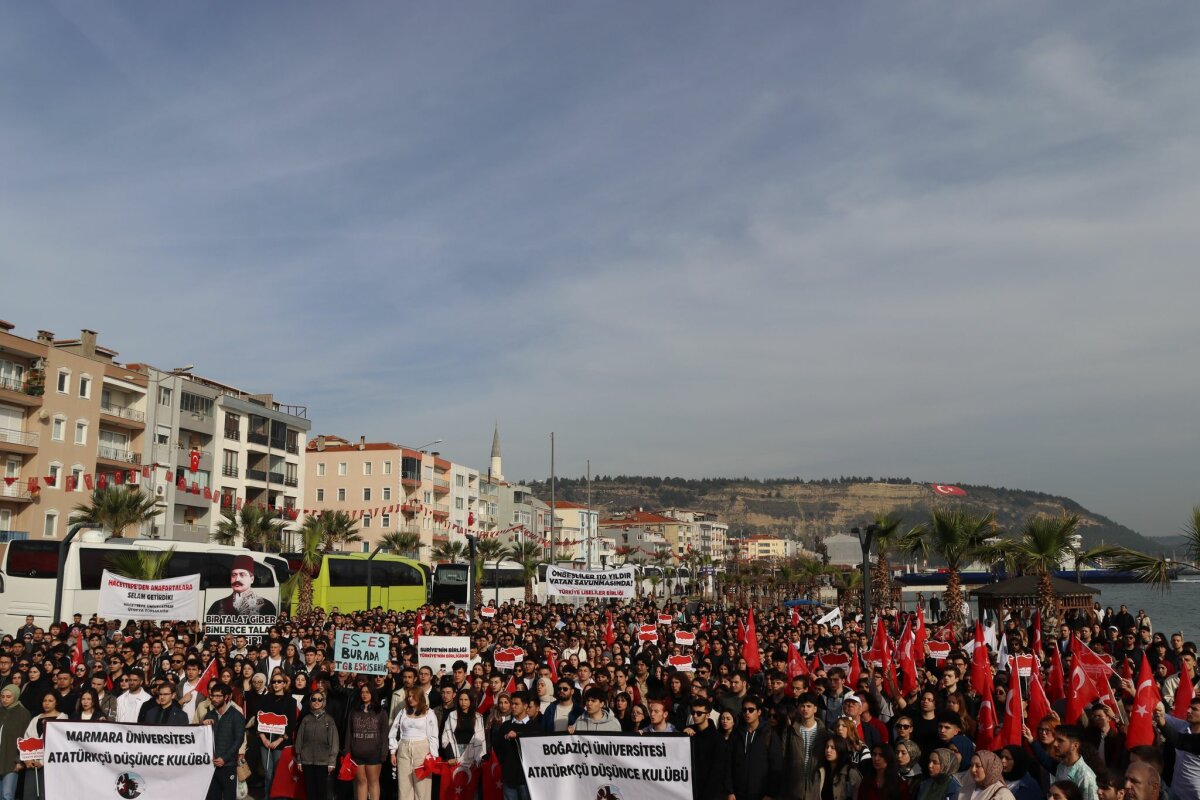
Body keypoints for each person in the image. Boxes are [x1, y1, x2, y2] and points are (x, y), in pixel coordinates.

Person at [390, 683, 439, 800]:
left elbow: (433, 736)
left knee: (422, 788)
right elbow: (393, 731)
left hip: (422, 749)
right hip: (404, 748)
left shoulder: (429, 713)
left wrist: (433, 755)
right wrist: (393, 751)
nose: (410, 699)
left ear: (420, 697)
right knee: (404, 787)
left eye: (413, 696)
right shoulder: (403, 712)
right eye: (408, 696)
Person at [730, 697, 782, 800]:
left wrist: (770, 794)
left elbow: (776, 766)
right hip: (737, 793)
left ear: (759, 712)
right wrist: (730, 791)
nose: (747, 713)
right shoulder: (736, 734)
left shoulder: (769, 734)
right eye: (744, 710)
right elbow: (729, 763)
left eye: (751, 710)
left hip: (761, 794)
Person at [258, 672, 298, 799]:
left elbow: (291, 724)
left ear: (284, 684)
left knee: (278, 773)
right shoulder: (265, 698)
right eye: (274, 681)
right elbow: (258, 720)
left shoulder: (291, 701)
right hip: (265, 741)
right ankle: (267, 796)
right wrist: (263, 738)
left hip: (281, 743)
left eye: (279, 681)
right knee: (268, 773)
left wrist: (279, 740)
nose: (276, 684)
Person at [293, 688, 339, 800]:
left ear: (324, 702)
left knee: (321, 790)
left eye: (319, 699)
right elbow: (299, 740)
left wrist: (332, 761)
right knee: (310, 790)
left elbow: (334, 742)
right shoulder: (306, 719)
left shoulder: (329, 720)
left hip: (323, 762)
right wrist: (299, 758)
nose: (316, 702)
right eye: (314, 699)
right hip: (307, 760)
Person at [346, 683, 389, 800]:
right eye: (362, 692)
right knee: (361, 782)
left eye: (367, 692)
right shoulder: (354, 712)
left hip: (374, 754)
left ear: (372, 694)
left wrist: (384, 752)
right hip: (357, 754)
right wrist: (347, 752)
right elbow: (349, 733)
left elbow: (385, 734)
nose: (364, 695)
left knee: (373, 782)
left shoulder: (380, 712)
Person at [18, 692, 65, 800]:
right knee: (29, 794)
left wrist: (43, 762)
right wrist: (27, 760)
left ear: (56, 702)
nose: (46, 703)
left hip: (51, 765)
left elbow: (60, 744)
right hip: (32, 763)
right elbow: (27, 739)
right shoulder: (36, 718)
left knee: (46, 795)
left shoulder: (62, 718)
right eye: (45, 701)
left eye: (50, 701)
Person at [205, 682, 246, 800]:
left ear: (227, 697)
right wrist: (203, 727)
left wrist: (225, 758)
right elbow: (202, 739)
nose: (214, 699)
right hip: (211, 766)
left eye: (218, 696)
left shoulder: (236, 715)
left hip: (228, 765)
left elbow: (239, 740)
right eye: (213, 696)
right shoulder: (209, 715)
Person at [206, 556, 278, 618]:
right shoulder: (217, 605)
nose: (237, 579)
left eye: (242, 575)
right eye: (234, 575)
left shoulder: (266, 605)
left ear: (252, 579)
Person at [805, 734, 860, 800]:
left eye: (832, 748)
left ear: (840, 749)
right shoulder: (820, 772)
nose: (828, 750)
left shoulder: (851, 773)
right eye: (827, 747)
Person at [0, 685, 31, 800]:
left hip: (11, 761)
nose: (4, 699)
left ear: (16, 696)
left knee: (7, 795)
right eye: (2, 696)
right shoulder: (0, 711)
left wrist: (20, 761)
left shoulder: (23, 714)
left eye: (8, 697)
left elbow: (25, 739)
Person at [1051, 725, 1098, 800]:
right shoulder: (1060, 766)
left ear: (1075, 746)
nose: (1055, 744)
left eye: (1060, 740)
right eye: (1055, 739)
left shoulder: (1086, 776)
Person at [440, 689, 485, 768]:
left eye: (466, 700)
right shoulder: (452, 715)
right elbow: (445, 737)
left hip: (472, 755)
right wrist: (451, 756)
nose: (463, 702)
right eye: (461, 699)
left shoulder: (478, 717)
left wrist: (478, 757)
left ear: (471, 700)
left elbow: (480, 738)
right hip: (455, 753)